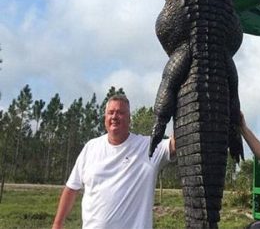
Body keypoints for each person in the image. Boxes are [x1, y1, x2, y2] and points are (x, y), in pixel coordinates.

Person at [52, 94, 176, 229]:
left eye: (121, 113)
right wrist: (58, 224)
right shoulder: (91, 147)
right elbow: (71, 188)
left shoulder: (149, 147)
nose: (114, 117)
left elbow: (179, 140)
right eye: (110, 112)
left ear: (129, 119)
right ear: (105, 118)